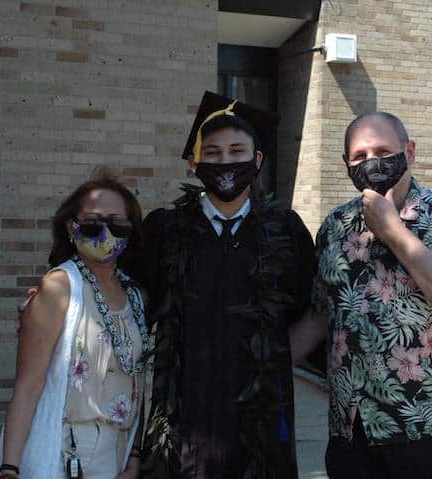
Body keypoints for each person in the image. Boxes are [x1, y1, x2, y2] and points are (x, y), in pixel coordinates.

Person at [136, 92, 320, 478]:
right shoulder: (164, 231)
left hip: (262, 422)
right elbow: (128, 301)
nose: (225, 162)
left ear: (257, 160)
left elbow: (313, 310)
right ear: (194, 163)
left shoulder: (284, 231)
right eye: (213, 153)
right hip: (183, 418)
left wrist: (278, 361)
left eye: (237, 151)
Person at [312, 112, 432, 479]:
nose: (371, 163)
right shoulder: (333, 227)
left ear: (409, 152)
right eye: (359, 156)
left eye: (383, 151)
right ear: (346, 164)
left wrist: (392, 229)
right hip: (353, 434)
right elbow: (321, 315)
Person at [0, 175, 149, 478]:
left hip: (117, 454)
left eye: (117, 225)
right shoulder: (59, 287)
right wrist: (9, 469)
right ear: (70, 227)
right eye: (92, 223)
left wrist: (134, 453)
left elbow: (138, 380)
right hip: (65, 451)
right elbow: (28, 385)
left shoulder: (136, 296)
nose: (105, 233)